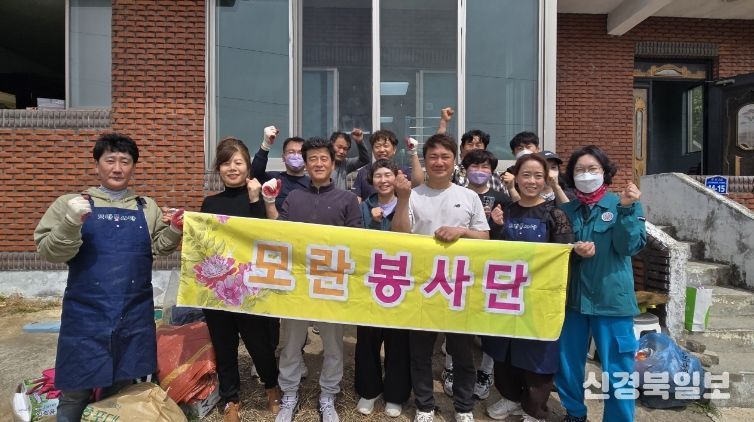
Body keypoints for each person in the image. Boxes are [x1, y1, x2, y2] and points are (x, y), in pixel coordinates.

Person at [34, 133, 183, 421]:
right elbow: (49, 251)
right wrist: (70, 221)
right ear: (97, 165)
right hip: (86, 314)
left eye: (125, 162)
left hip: (133, 312)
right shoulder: (71, 202)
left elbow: (157, 248)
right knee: (75, 389)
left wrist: (175, 229)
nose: (117, 168)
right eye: (110, 160)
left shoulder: (146, 206)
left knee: (122, 390)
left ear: (133, 167)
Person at [264, 137, 362, 422]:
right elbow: (279, 234)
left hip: (331, 284)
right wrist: (269, 203)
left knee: (333, 345)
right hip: (298, 285)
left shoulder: (347, 200)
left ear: (333, 163)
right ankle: (289, 393)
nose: (318, 164)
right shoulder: (294, 198)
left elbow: (356, 241)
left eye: (323, 159)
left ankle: (328, 395)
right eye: (312, 159)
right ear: (306, 165)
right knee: (291, 343)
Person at [393, 133, 490, 422]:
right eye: (433, 157)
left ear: (454, 161)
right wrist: (403, 199)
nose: (439, 162)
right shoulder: (413, 194)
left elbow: (485, 238)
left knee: (462, 353)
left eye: (445, 157)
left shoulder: (469, 196)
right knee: (420, 352)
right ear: (425, 161)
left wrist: (462, 231)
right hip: (422, 284)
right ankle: (424, 406)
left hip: (459, 286)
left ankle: (464, 407)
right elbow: (399, 235)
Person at [554, 145, 646, 422]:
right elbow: (555, 252)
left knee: (618, 370)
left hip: (612, 301)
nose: (586, 175)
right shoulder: (565, 211)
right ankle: (574, 413)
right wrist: (573, 251)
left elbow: (629, 246)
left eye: (592, 169)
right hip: (573, 302)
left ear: (605, 172)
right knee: (568, 364)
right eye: (579, 170)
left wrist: (627, 210)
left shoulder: (623, 204)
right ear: (571, 176)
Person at [481, 154, 574, 422]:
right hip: (506, 294)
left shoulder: (555, 214)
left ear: (546, 180)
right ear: (516, 178)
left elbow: (564, 256)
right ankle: (510, 397)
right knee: (504, 348)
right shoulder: (505, 211)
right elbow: (490, 252)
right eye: (526, 175)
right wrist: (496, 227)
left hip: (539, 297)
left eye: (538, 176)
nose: (532, 181)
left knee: (537, 352)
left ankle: (534, 409)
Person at [200, 137, 282, 421]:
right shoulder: (210, 203)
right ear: (218, 169)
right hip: (218, 287)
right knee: (224, 345)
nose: (232, 168)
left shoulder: (258, 197)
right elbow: (204, 244)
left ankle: (271, 386)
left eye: (238, 162)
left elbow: (264, 237)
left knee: (259, 343)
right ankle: (231, 398)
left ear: (248, 167)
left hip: (252, 287)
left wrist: (256, 199)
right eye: (225, 163)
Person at [354, 159, 412, 417]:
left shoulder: (408, 204)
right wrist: (374, 222)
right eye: (378, 175)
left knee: (398, 340)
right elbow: (355, 240)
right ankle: (369, 391)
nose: (383, 180)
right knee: (367, 338)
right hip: (370, 282)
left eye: (388, 174)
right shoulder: (362, 207)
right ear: (371, 180)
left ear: (397, 177)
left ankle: (395, 395)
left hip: (401, 281)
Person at [436, 107, 505, 193]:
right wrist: (443, 123)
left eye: (478, 145)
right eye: (470, 144)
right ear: (462, 148)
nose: (474, 148)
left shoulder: (494, 174)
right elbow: (438, 147)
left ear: (485, 149)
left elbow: (504, 198)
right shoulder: (454, 170)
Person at [350, 129, 424, 202]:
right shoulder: (363, 172)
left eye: (386, 146)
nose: (382, 150)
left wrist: (413, 152)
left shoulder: (402, 170)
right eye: (377, 146)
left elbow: (418, 183)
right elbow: (356, 199)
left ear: (394, 149)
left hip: (399, 209)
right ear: (372, 150)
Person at [251, 125, 310, 210]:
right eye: (291, 152)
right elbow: (255, 173)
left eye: (300, 153)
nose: (296, 156)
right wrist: (266, 144)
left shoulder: (312, 184)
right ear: (283, 157)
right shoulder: (273, 179)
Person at [502, 131, 541, 201]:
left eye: (528, 147)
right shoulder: (508, 174)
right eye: (520, 148)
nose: (524, 151)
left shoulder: (547, 171)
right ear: (513, 153)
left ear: (537, 149)